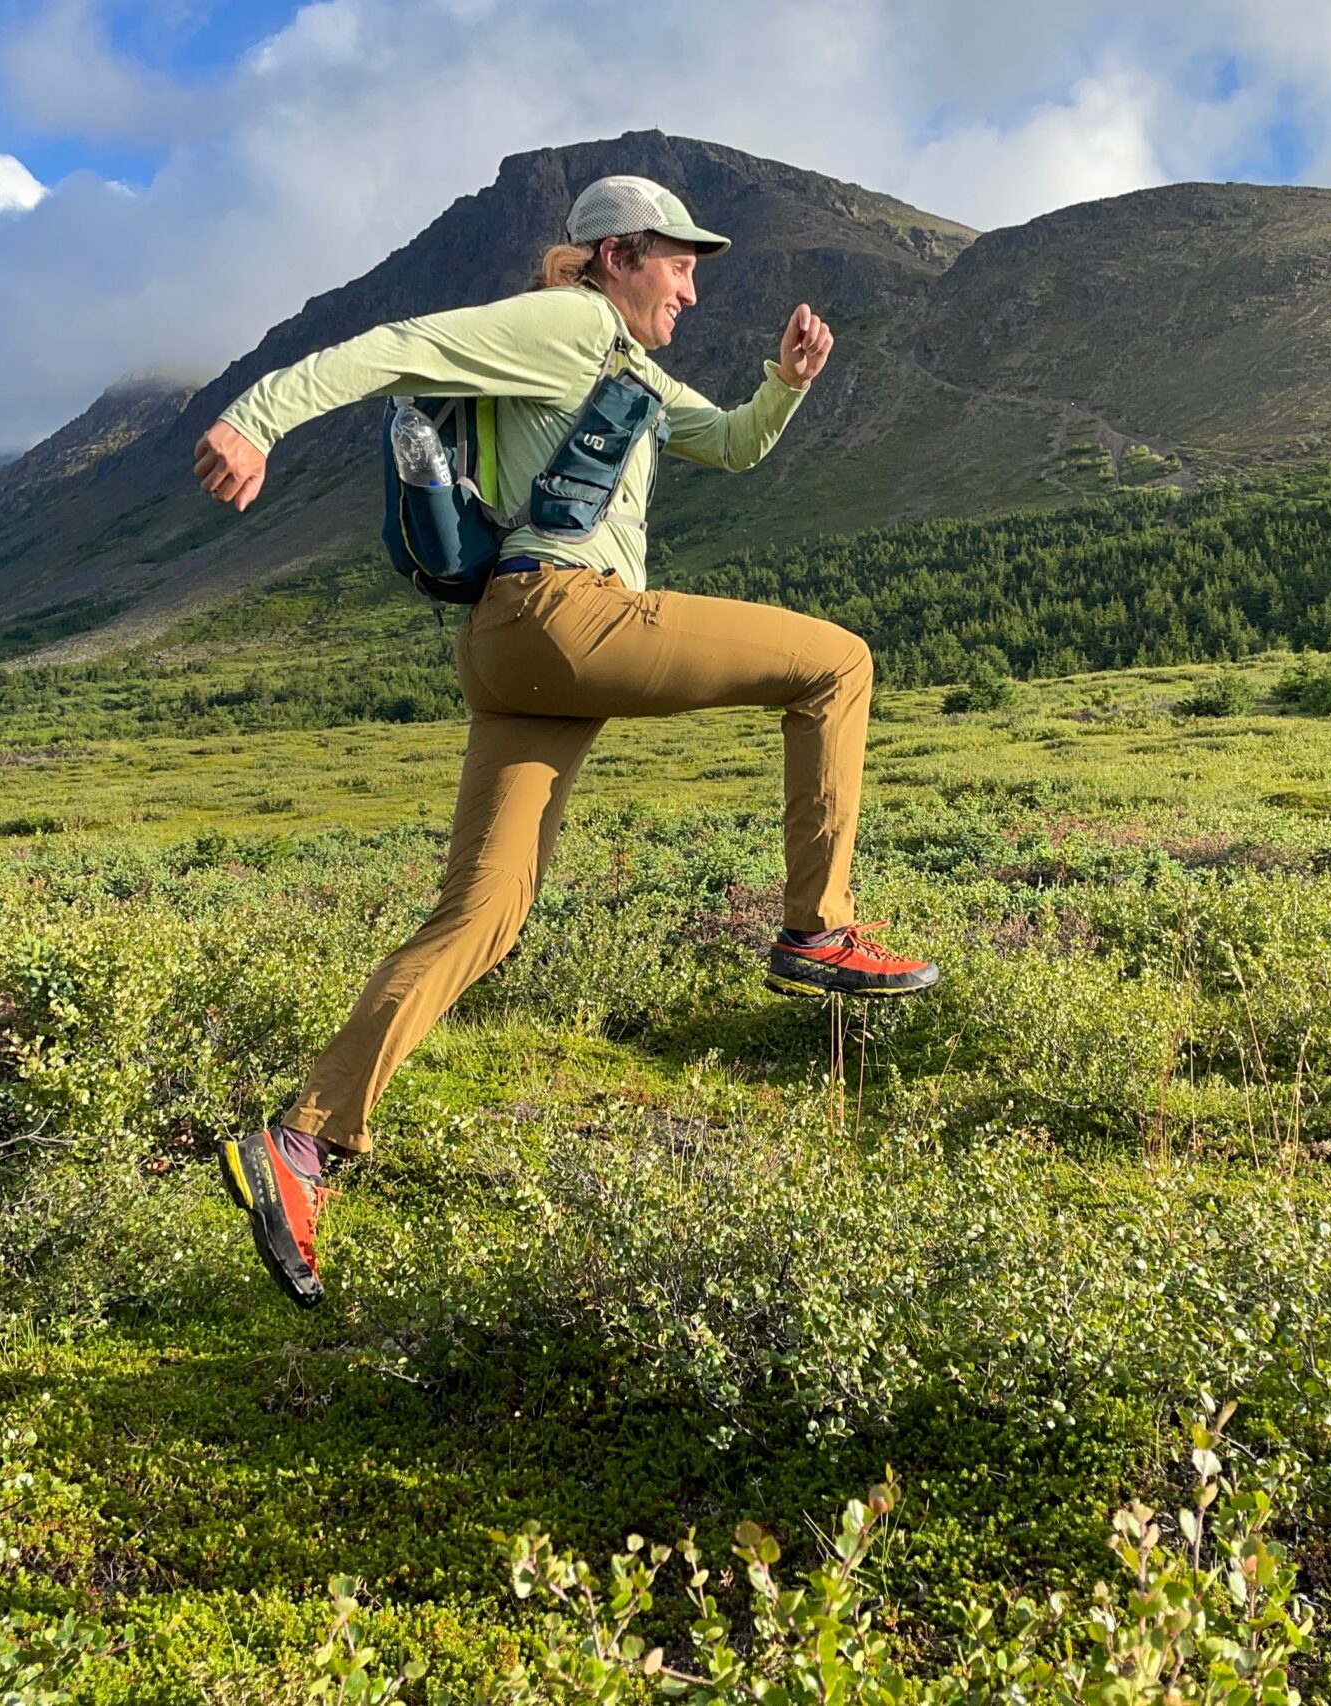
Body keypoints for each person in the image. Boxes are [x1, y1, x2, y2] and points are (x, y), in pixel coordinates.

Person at [192, 174, 939, 1308]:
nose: (692, 287)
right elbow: (395, 345)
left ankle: (300, 1143)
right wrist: (253, 420)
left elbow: (729, 445)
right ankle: (818, 929)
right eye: (679, 264)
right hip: (559, 612)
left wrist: (780, 389)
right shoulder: (567, 322)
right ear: (617, 255)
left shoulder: (627, 366)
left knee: (481, 916)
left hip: (516, 650)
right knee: (837, 661)